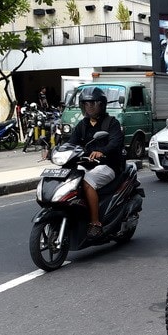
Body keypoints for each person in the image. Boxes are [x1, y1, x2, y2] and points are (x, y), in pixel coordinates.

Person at [67, 87, 124, 239]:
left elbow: (115, 142)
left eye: (93, 103)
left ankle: (95, 222)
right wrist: (56, 151)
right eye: (86, 103)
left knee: (86, 182)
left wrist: (102, 151)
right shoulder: (82, 125)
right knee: (69, 178)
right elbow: (71, 143)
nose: (90, 106)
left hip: (108, 165)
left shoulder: (111, 123)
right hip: (87, 165)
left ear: (102, 105)